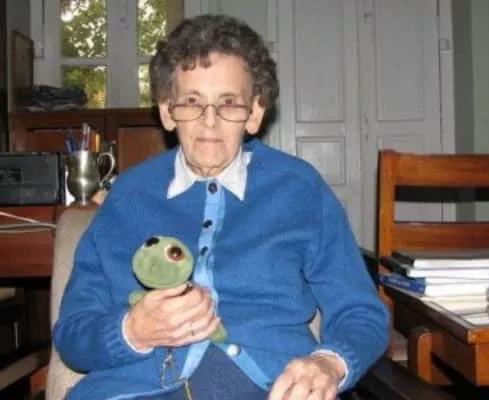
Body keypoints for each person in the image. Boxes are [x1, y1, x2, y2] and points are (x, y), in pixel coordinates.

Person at [53, 14, 389, 400]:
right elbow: (73, 333)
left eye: (228, 104)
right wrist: (131, 331)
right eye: (192, 102)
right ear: (167, 110)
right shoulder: (128, 197)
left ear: (255, 112)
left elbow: (361, 311)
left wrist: (329, 363)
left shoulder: (300, 189)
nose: (209, 122)